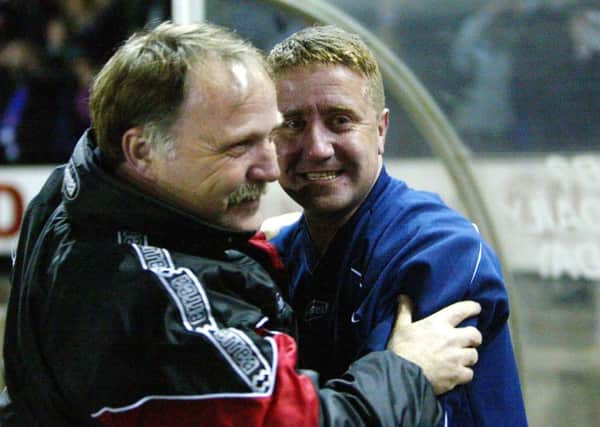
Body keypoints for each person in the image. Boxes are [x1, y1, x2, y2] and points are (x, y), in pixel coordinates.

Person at [0, 21, 483, 426]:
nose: (271, 168)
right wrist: (409, 370)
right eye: (236, 147)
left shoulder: (72, 191)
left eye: (269, 135)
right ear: (142, 150)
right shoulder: (165, 308)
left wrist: (239, 244)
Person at [267, 25, 527, 426]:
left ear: (381, 130)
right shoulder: (280, 255)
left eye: (339, 120)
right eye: (293, 124)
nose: (317, 148)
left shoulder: (438, 252)